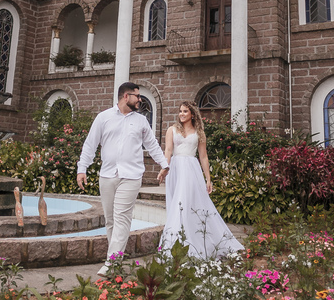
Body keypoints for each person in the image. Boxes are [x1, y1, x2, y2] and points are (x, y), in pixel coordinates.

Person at [77, 82, 169, 276]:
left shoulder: (141, 121)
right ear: (126, 96)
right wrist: (82, 168)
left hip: (131, 176)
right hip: (107, 175)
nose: (140, 100)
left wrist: (164, 164)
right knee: (110, 220)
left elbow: (152, 145)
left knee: (122, 218)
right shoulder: (103, 118)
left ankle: (111, 262)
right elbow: (90, 144)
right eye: (137, 96)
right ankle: (116, 260)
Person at [160, 102, 244, 259]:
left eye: (185, 111)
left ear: (192, 114)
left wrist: (208, 179)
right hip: (175, 170)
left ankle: (187, 244)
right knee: (175, 205)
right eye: (180, 111)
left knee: (185, 204)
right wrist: (164, 168)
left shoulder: (199, 133)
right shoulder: (172, 130)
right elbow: (168, 151)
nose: (181, 114)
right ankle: (177, 243)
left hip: (191, 170)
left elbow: (203, 157)